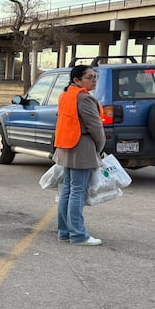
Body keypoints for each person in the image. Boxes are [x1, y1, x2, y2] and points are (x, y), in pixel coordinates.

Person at [53, 65, 106, 246]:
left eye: (95, 76)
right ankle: (78, 235)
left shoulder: (66, 95)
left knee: (67, 190)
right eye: (89, 77)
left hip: (66, 146)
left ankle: (64, 231)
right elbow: (96, 128)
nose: (94, 80)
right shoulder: (84, 99)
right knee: (77, 191)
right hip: (82, 147)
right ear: (76, 80)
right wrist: (99, 148)